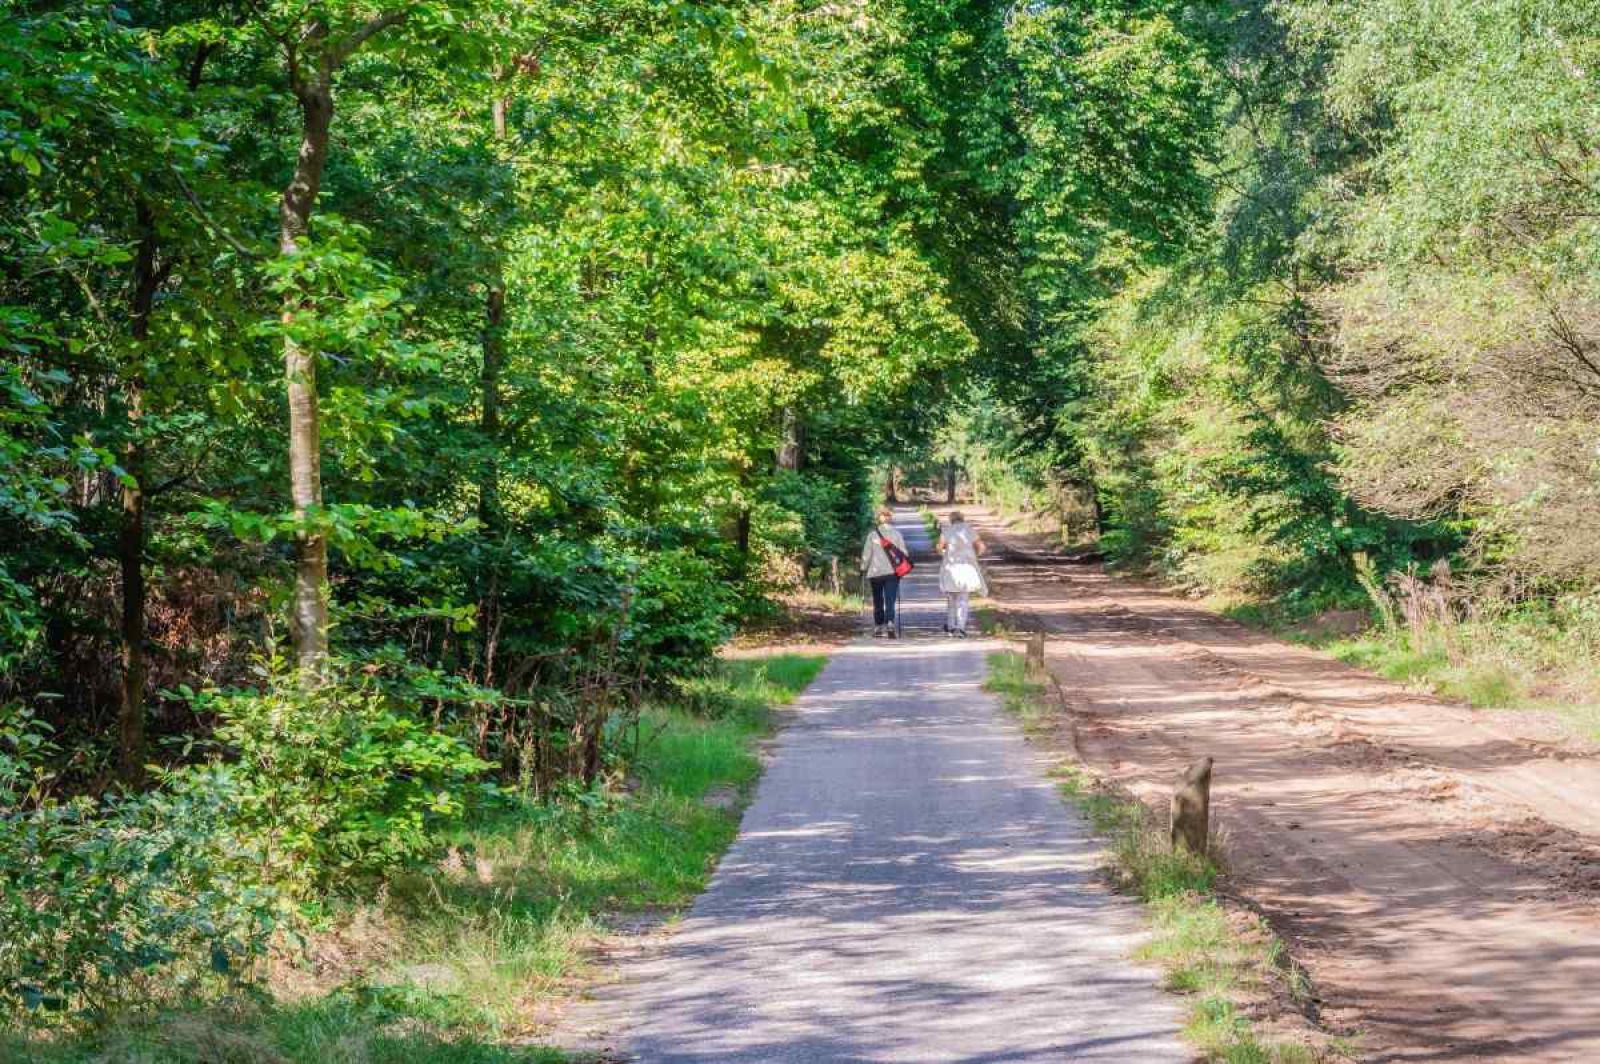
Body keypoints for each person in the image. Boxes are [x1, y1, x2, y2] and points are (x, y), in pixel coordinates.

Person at [860, 507, 908, 638]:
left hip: (875, 572)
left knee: (878, 600)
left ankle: (878, 626)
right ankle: (890, 623)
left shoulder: (872, 535)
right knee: (890, 599)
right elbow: (904, 553)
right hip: (892, 572)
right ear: (889, 518)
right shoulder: (897, 534)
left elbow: (866, 554)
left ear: (879, 519)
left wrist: (863, 568)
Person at [937, 510, 986, 637]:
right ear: (962, 519)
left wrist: (943, 553)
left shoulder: (947, 531)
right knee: (963, 599)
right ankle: (961, 627)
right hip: (967, 567)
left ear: (951, 520)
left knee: (951, 599)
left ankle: (951, 627)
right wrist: (975, 556)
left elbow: (939, 547)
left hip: (951, 567)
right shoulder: (970, 530)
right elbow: (981, 547)